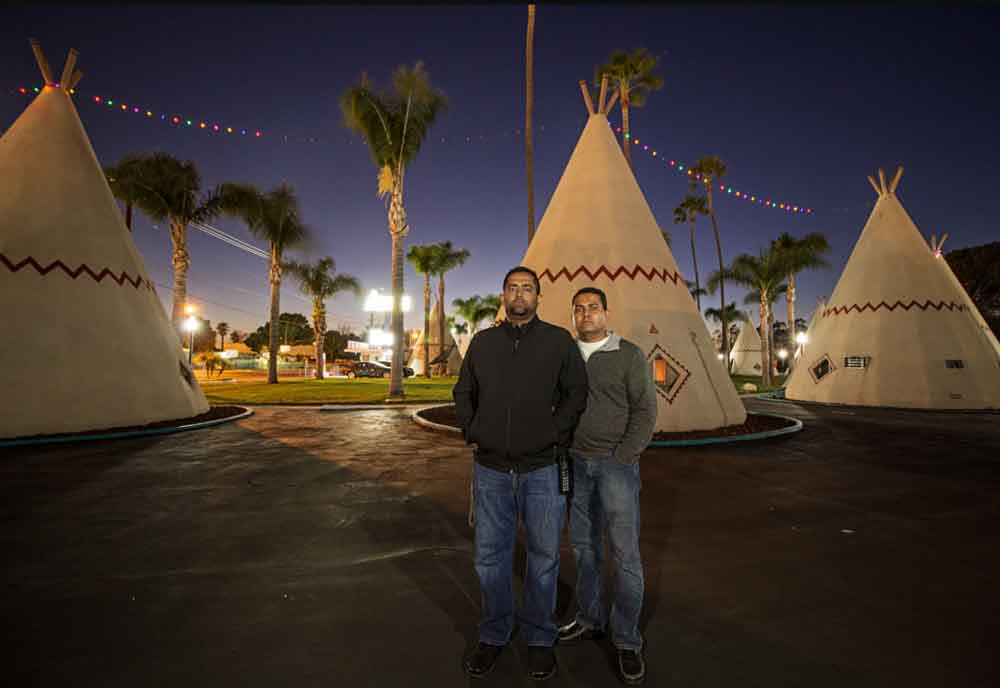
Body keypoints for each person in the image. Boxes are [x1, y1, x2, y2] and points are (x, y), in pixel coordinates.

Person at [454, 266, 588, 681]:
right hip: (491, 468)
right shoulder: (483, 342)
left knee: (543, 558)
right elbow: (464, 391)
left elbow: (576, 393)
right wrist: (473, 429)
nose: (519, 294)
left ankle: (539, 637)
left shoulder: (558, 341)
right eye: (512, 287)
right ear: (503, 294)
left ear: (538, 297)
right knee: (490, 557)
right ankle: (493, 634)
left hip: (542, 469)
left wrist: (554, 432)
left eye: (527, 288)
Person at [558, 287, 657, 686]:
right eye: (579, 309)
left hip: (616, 466)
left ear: (606, 313)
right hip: (576, 463)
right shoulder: (565, 354)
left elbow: (646, 409)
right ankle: (589, 618)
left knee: (625, 554)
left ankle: (627, 639)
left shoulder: (628, 354)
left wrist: (625, 455)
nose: (586, 314)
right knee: (584, 548)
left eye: (593, 308)